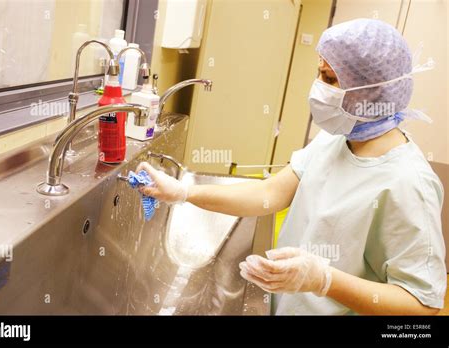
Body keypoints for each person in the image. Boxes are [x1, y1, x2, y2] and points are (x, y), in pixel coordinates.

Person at [135, 19, 446, 315]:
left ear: (371, 92)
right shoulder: (335, 140)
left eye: (329, 79)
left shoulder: (409, 183)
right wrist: (184, 192)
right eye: (319, 73)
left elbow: (421, 304)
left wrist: (324, 280)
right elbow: (269, 193)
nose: (317, 87)